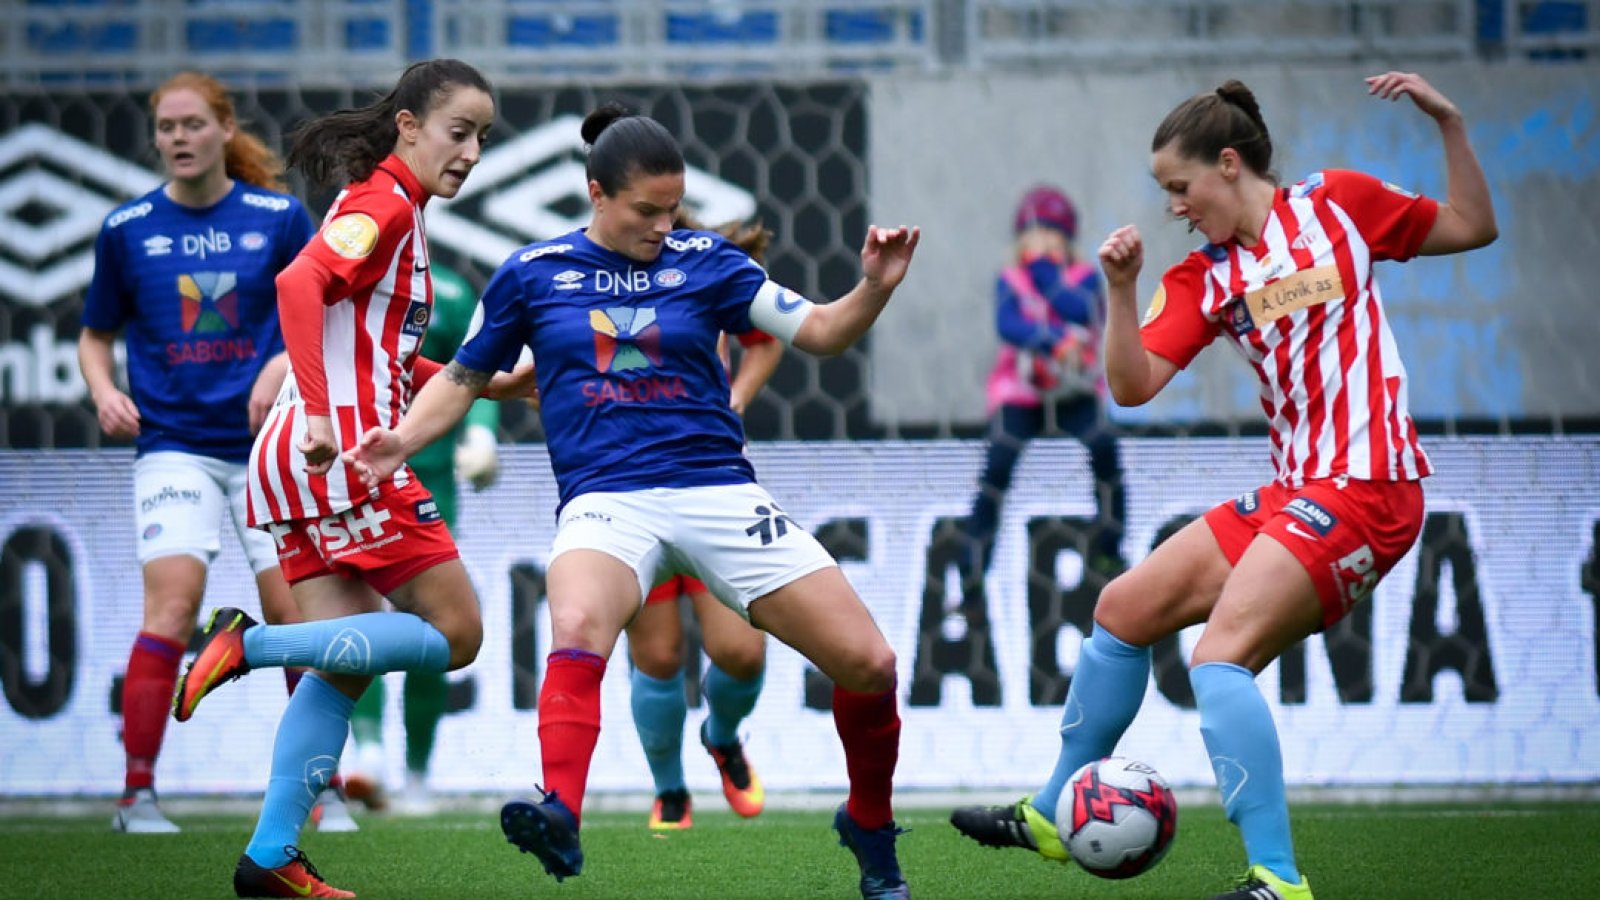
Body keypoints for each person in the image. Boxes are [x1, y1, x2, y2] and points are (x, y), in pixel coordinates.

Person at [345, 104, 922, 900]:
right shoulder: (532, 273)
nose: (662, 225)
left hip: (718, 490)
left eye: (672, 209)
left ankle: (868, 821)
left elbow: (820, 332)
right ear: (595, 194)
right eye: (645, 210)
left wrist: (873, 286)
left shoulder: (711, 263)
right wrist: (401, 443)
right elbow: (462, 379)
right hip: (606, 499)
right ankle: (561, 812)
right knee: (578, 625)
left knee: (871, 663)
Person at [949, 71, 1497, 900]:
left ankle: (1277, 880)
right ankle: (1058, 812)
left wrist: (1450, 124)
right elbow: (1131, 388)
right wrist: (1122, 292)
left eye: (1181, 186)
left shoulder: (1339, 204)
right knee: (1123, 609)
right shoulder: (1205, 278)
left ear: (1229, 164)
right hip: (1300, 488)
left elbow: (1473, 227)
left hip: (1373, 485)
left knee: (1218, 660)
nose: (1175, 205)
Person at [167, 59, 530, 899]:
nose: (472, 151)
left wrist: (487, 380)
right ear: (407, 126)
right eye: (458, 130)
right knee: (460, 635)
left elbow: (374, 348)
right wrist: (328, 416)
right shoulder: (386, 202)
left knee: (341, 668)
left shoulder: (391, 206)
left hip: (296, 461)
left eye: (483, 137)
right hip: (347, 456)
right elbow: (299, 284)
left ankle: (269, 858)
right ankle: (249, 645)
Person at [76, 70, 360, 834]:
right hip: (174, 448)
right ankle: (136, 795)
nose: (178, 138)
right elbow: (94, 334)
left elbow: (322, 309)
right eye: (166, 127)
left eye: (193, 124)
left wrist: (277, 367)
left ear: (225, 128)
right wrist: (103, 389)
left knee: (296, 615)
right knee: (170, 609)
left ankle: (319, 789)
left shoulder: (277, 216)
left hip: (269, 449)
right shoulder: (126, 229)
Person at [627, 215, 784, 831]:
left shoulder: (703, 269)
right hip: (629, 487)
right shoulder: (586, 278)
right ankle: (670, 791)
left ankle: (723, 738)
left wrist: (736, 399)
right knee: (660, 657)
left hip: (709, 481)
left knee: (741, 650)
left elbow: (766, 340)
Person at [341, 261, 503, 817]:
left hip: (425, 474)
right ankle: (368, 755)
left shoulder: (450, 292)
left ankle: (415, 775)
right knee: (358, 613)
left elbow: (472, 371)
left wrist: (482, 434)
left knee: (429, 622)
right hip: (349, 466)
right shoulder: (338, 272)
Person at [958, 185, 1126, 587]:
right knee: (997, 464)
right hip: (1021, 394)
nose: (1043, 243)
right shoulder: (1011, 279)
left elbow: (1081, 311)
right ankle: (972, 572)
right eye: (1034, 235)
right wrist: (1053, 339)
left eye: (1053, 234)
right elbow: (1009, 325)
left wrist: (1046, 271)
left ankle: (1108, 549)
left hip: (1075, 392)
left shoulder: (1084, 278)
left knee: (1104, 448)